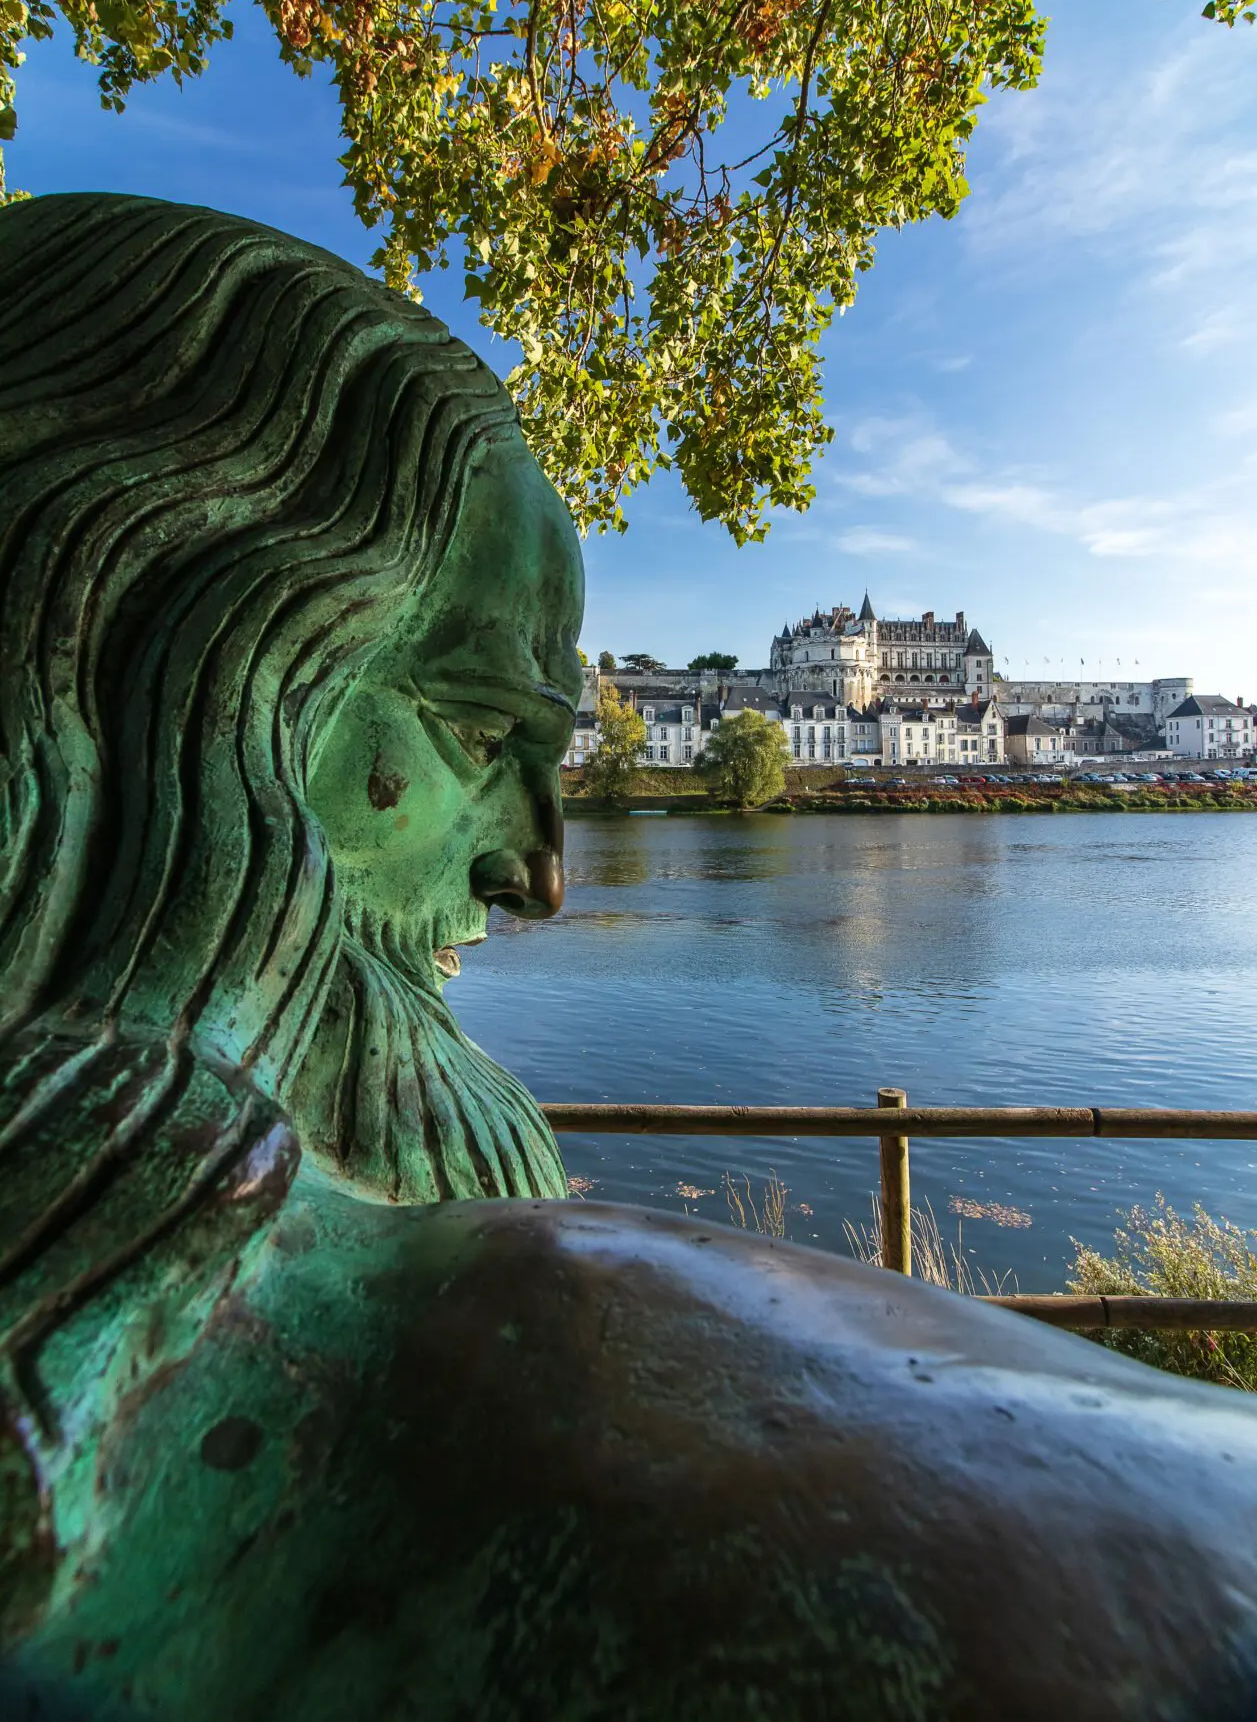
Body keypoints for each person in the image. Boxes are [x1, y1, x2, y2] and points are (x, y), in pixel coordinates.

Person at [3, 197, 1257, 1720]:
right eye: (472, 731)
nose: (539, 879)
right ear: (161, 673)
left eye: (551, 753)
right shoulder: (545, 1366)